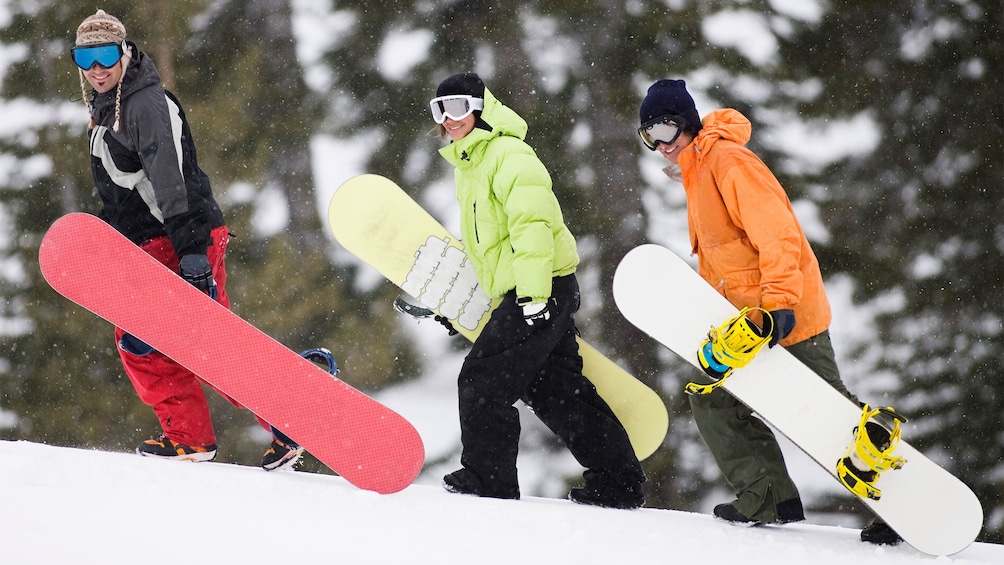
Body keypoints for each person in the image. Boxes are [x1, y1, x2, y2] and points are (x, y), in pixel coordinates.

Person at [635, 78, 901, 544]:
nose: (660, 145)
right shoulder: (698, 171)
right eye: (648, 136)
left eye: (665, 130)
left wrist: (779, 304)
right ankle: (769, 499)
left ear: (687, 123)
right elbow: (725, 258)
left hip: (784, 317)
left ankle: (902, 505)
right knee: (712, 398)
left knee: (827, 416)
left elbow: (777, 234)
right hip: (750, 326)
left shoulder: (729, 162)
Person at [71, 10, 301, 471]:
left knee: (197, 343)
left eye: (105, 55)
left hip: (179, 239)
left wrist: (192, 253)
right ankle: (192, 436)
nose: (97, 68)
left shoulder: (145, 104)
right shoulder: (107, 106)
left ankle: (286, 416)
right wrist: (105, 239)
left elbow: (171, 183)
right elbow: (126, 193)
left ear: (125, 52)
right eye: (85, 57)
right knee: (149, 341)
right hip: (153, 244)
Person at [431, 72, 647, 508]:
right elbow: (489, 249)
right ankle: (618, 481)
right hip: (536, 290)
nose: (449, 119)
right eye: (440, 110)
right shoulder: (471, 166)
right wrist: (464, 304)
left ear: (480, 108)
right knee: (556, 390)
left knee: (481, 381)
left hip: (540, 288)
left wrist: (532, 298)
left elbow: (533, 229)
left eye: (457, 107)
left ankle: (488, 477)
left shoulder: (510, 155)